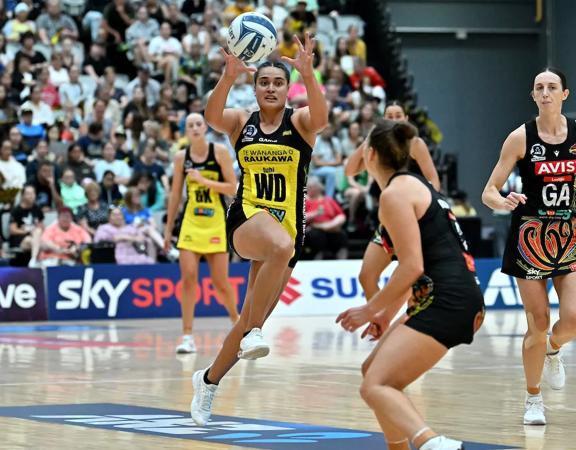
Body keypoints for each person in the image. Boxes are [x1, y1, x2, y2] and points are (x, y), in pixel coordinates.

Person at [190, 33, 328, 425]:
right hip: (248, 217)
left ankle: (208, 381)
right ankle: (251, 334)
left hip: (287, 231)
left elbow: (322, 119)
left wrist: (308, 73)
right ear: (254, 88)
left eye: (278, 82)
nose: (270, 88)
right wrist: (228, 76)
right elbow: (213, 117)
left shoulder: (300, 122)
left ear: (287, 89)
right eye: (263, 82)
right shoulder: (240, 122)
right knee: (278, 251)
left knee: (251, 319)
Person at [337, 119, 484, 450]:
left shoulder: (395, 194)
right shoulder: (414, 185)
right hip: (452, 295)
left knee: (374, 387)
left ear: (370, 154)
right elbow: (414, 266)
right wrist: (384, 315)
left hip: (446, 299)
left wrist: (369, 309)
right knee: (372, 371)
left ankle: (432, 443)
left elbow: (412, 267)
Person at [482, 68, 576, 425]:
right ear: (533, 95)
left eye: (553, 87)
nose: (546, 92)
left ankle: (554, 349)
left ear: (565, 94)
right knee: (538, 321)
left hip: (569, 237)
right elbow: (489, 190)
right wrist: (502, 200)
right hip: (530, 238)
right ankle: (533, 398)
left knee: (573, 320)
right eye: (540, 88)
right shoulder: (520, 137)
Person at [346, 101, 441, 303]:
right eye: (389, 116)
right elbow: (350, 170)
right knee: (366, 276)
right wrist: (370, 139)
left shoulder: (415, 143)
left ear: (406, 119)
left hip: (415, 217)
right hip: (390, 219)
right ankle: (381, 324)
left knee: (414, 281)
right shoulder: (376, 147)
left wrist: (427, 209)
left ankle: (408, 327)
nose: (394, 120)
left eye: (398, 116)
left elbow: (434, 181)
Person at [164, 112, 240, 354]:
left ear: (205, 128)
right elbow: (176, 195)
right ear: (185, 131)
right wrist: (167, 230)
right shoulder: (180, 157)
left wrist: (204, 181)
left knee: (220, 282)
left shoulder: (218, 152)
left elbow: (232, 188)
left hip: (216, 222)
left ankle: (236, 324)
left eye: (199, 124)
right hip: (190, 223)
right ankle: (187, 336)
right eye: (190, 125)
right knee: (188, 278)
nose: (195, 128)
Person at [9, 185, 44, 267]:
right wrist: (27, 231)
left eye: (33, 193)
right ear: (23, 196)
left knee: (39, 234)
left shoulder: (37, 209)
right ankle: (35, 260)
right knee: (37, 241)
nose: (31, 196)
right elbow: (12, 230)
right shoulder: (16, 210)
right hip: (20, 239)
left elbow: (41, 227)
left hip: (35, 237)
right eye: (28, 193)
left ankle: (33, 259)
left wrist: (34, 230)